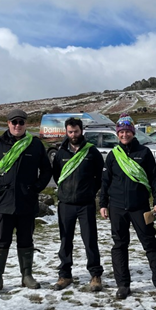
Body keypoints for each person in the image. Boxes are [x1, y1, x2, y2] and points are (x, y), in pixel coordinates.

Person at [0, 109, 52, 295]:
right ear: (8, 124)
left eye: (21, 122)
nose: (17, 125)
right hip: (3, 202)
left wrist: (35, 188)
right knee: (0, 242)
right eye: (14, 122)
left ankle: (27, 276)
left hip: (27, 202)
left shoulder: (35, 145)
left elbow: (47, 170)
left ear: (26, 124)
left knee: (26, 241)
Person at [100, 113, 156, 300]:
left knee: (150, 244)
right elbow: (105, 181)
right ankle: (123, 285)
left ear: (133, 132)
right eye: (121, 131)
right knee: (120, 245)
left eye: (128, 131)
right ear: (117, 133)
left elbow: (154, 179)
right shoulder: (113, 155)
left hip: (140, 206)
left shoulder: (144, 153)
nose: (124, 135)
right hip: (116, 207)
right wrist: (103, 204)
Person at [52, 117, 104, 292]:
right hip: (66, 204)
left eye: (76, 131)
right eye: (70, 132)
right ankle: (65, 274)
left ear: (81, 131)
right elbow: (57, 175)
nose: (73, 135)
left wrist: (89, 191)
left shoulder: (92, 152)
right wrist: (66, 191)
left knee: (90, 240)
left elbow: (99, 177)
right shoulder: (61, 153)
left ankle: (95, 275)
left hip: (86, 204)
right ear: (66, 132)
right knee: (65, 240)